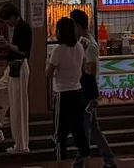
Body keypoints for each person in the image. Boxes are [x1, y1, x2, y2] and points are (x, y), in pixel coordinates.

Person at [69, 9, 116, 168]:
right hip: (87, 90)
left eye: (72, 24)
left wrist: (91, 95)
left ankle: (79, 162)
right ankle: (109, 160)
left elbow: (90, 70)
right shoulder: (84, 42)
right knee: (93, 129)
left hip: (87, 91)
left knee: (85, 129)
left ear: (77, 25)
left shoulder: (89, 45)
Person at [47, 17, 89, 168]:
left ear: (59, 32)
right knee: (79, 132)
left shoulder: (58, 50)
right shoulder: (79, 48)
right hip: (78, 93)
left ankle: (61, 164)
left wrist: (47, 62)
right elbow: (83, 69)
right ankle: (88, 164)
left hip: (63, 94)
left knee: (60, 135)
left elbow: (48, 73)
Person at [0, 4, 33, 153]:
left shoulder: (24, 28)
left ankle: (21, 145)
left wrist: (6, 43)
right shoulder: (18, 28)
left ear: (13, 16)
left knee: (19, 106)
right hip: (13, 67)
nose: (7, 23)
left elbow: (23, 51)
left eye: (7, 20)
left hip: (19, 67)